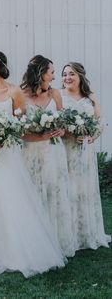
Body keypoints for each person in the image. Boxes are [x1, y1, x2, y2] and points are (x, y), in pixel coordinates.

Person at [0, 49, 66, 278]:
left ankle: (16, 248)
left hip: (7, 154)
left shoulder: (14, 92)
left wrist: (2, 141)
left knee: (11, 197)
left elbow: (20, 127)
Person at [21, 55, 75, 257]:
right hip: (30, 151)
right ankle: (34, 240)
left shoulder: (55, 95)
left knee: (54, 192)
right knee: (32, 193)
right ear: (41, 73)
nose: (54, 76)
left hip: (53, 152)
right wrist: (39, 135)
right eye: (52, 72)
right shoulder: (22, 95)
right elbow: (18, 131)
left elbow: (61, 121)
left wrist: (60, 131)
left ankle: (56, 239)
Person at [61, 62, 111, 250]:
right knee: (67, 189)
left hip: (85, 151)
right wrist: (70, 132)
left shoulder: (90, 98)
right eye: (64, 74)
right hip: (65, 148)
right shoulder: (59, 96)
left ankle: (85, 233)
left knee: (83, 188)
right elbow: (56, 124)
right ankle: (68, 233)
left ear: (80, 76)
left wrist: (92, 137)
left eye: (71, 74)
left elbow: (100, 122)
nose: (67, 77)